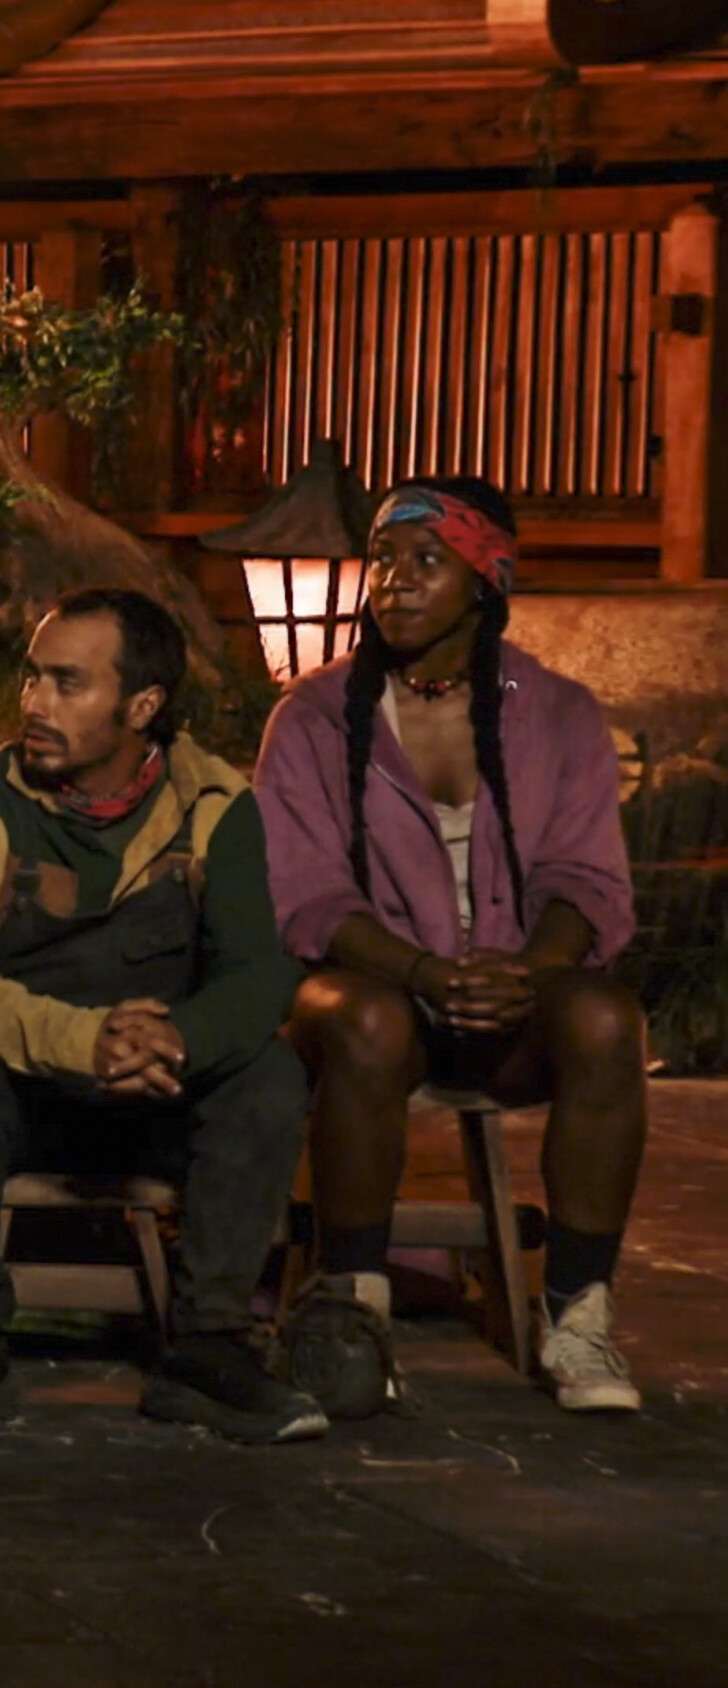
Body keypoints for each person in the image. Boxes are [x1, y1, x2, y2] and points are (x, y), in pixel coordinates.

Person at [258, 477, 646, 1416]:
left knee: (605, 1018)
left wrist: (528, 972)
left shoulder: (557, 712)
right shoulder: (315, 716)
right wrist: (423, 972)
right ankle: (354, 1309)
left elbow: (586, 880)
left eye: (427, 560)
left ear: (487, 580)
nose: (393, 580)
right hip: (373, 999)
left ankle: (578, 1313)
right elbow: (304, 896)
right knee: (364, 1018)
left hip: (514, 996)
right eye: (382, 559)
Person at [0, 589, 323, 1443]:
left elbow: (258, 972)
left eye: (68, 683)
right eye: (33, 679)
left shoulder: (215, 804)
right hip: (33, 1096)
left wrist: (179, 1039)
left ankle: (209, 1346)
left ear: (142, 705)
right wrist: (83, 1041)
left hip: (158, 1090)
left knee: (267, 1073)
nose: (35, 703)